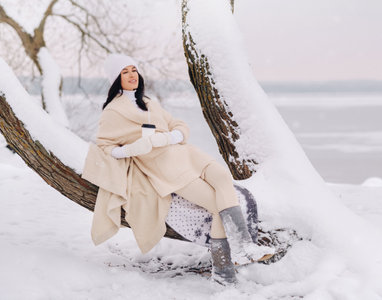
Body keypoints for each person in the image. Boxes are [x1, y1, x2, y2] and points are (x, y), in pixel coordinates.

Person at [82, 53, 274, 285]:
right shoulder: (113, 111)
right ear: (116, 79)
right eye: (125, 72)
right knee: (216, 206)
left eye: (134, 69)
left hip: (187, 155)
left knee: (223, 177)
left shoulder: (149, 102)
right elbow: (105, 147)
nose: (132, 75)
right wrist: (133, 148)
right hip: (166, 170)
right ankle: (224, 273)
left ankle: (243, 246)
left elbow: (180, 125)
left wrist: (172, 135)